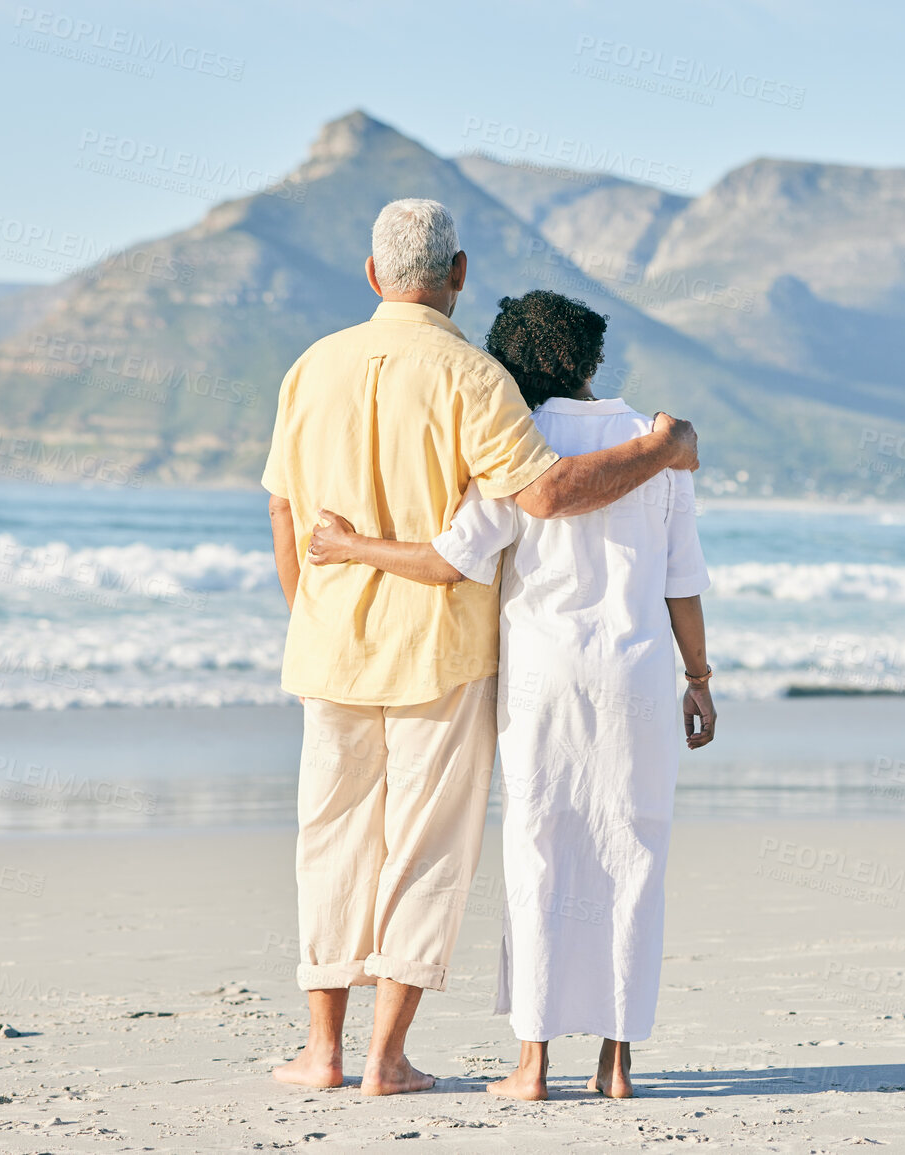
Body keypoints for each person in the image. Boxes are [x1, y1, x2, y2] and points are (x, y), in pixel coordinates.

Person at [262, 202, 700, 1096]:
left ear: (372, 273)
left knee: (330, 839)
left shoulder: (309, 368)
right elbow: (547, 495)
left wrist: (313, 606)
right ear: (457, 273)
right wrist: (659, 445)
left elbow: (282, 509)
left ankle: (323, 1052)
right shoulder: (473, 378)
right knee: (431, 850)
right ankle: (388, 1059)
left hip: (332, 650)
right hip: (441, 655)